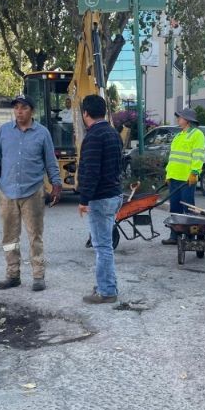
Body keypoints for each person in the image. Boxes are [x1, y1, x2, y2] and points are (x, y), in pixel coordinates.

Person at [0, 95, 62, 292]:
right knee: (9, 237)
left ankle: (38, 275)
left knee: (35, 235)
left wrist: (56, 183)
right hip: (7, 191)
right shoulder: (4, 132)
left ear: (32, 111)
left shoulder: (42, 133)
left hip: (32, 191)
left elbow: (50, 161)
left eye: (24, 108)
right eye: (16, 108)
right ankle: (12, 275)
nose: (19, 112)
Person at [77, 94, 123, 304]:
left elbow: (92, 171)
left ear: (85, 113)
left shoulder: (94, 136)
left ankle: (107, 291)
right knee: (104, 244)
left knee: (102, 246)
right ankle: (107, 284)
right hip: (114, 193)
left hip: (101, 197)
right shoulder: (113, 134)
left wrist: (84, 199)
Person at [162, 108, 205, 245]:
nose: (177, 119)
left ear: (187, 120)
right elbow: (173, 158)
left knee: (188, 209)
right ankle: (175, 236)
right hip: (174, 178)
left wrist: (195, 172)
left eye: (179, 117)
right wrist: (168, 174)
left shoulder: (197, 135)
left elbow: (198, 156)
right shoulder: (179, 135)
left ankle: (191, 237)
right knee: (174, 208)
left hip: (187, 179)